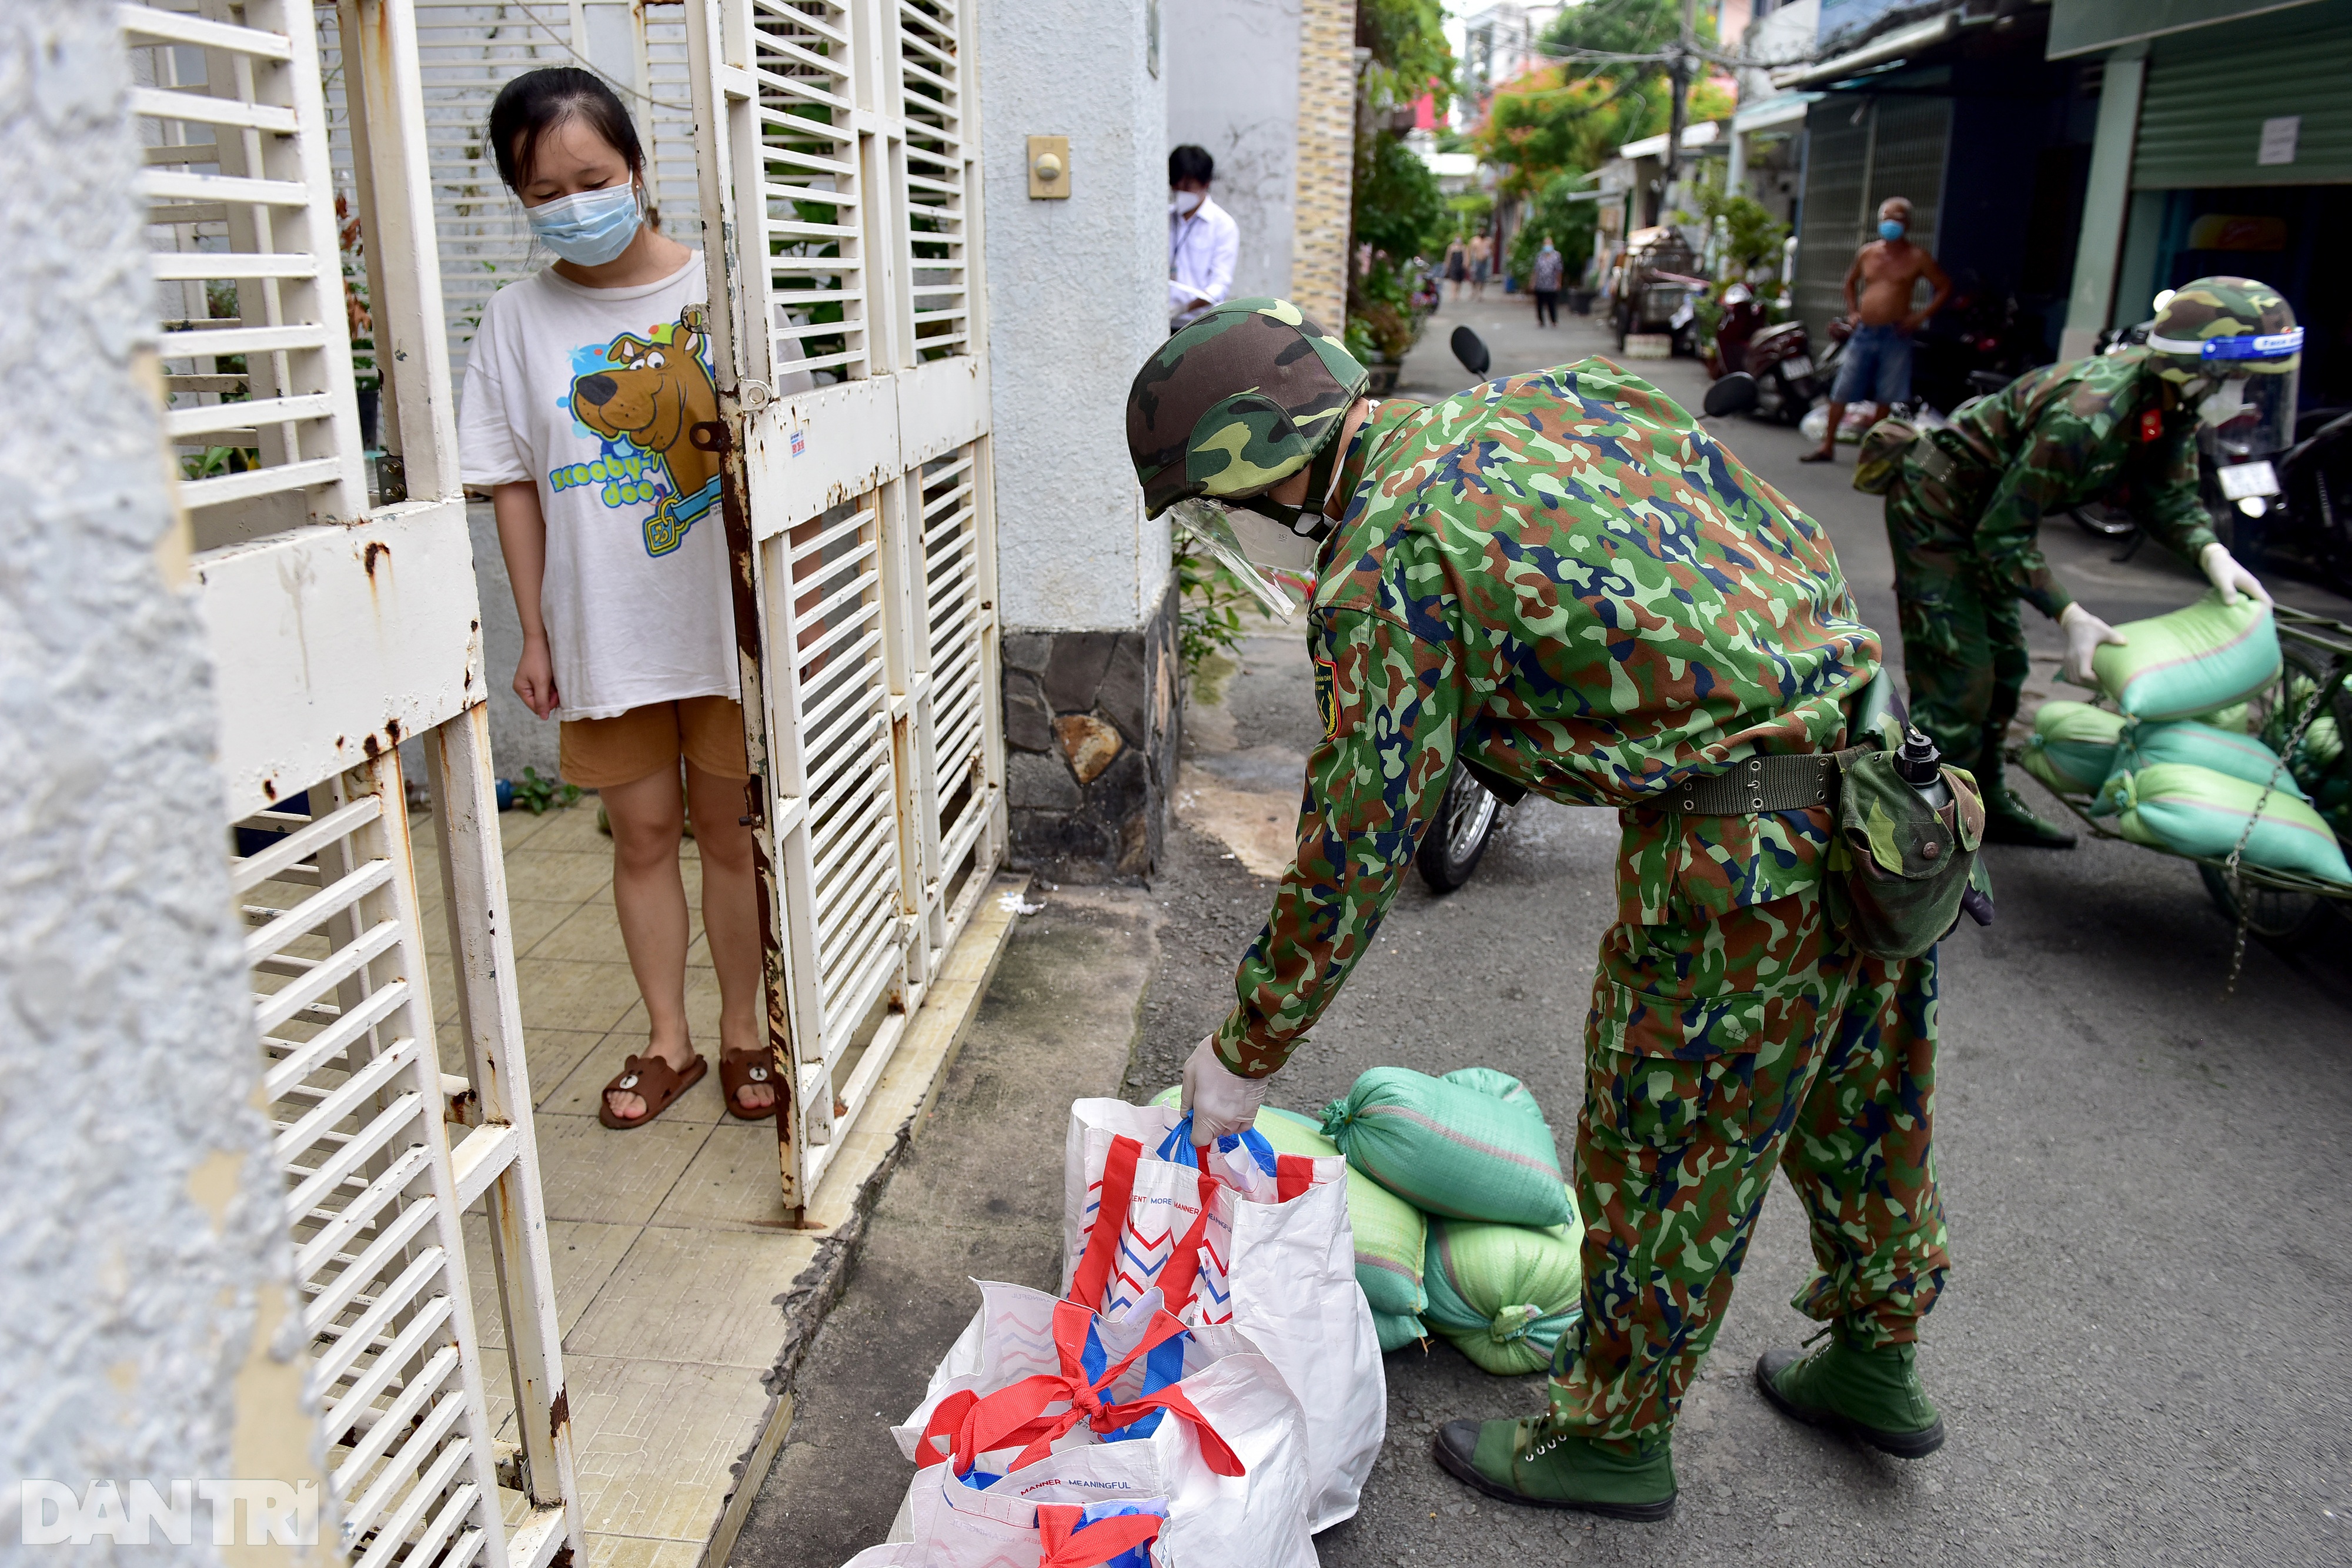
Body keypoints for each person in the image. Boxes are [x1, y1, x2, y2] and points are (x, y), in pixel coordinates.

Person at [1132, 299, 1950, 1520]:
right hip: (1886, 782)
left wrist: (1242, 1049)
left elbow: (1356, 843)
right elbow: (1763, 524)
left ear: (1257, 464)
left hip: (1741, 847)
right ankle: (1875, 1356)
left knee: (1666, 1145)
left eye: (1226, 497)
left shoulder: (1385, 563)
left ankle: (1612, 1441)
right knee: (1859, 1082)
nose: (1245, 522)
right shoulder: (1558, 399)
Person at [459, 69, 777, 1128]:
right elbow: (514, 483)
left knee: (731, 835)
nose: (572, 204)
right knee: (642, 837)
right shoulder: (515, 320)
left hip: (723, 624)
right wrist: (536, 632)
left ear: (636, 168)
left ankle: (745, 1032)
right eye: (544, 191)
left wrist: (797, 607)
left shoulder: (720, 291)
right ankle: (668, 1041)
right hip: (606, 629)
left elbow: (793, 453)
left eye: (590, 177)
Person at [1879, 277, 2287, 847]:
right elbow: (2003, 535)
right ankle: (1917, 832)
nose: (2243, 396)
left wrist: (2210, 551)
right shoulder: (2087, 418)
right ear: (2199, 370)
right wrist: (2069, 615)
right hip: (1938, 509)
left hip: (1990, 514)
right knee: (1959, 677)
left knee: (2007, 668)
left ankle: (1983, 801)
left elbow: (2164, 494)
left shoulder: (2170, 401)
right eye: (2238, 379)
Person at [1803, 198, 1949, 462]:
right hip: (1864, 332)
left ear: (1908, 224)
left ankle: (1869, 453)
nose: (1892, 224)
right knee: (1842, 389)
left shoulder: (1917, 257)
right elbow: (1850, 283)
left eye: (1898, 219)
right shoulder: (1868, 252)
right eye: (1887, 219)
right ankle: (1828, 445)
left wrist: (1920, 317)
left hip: (1896, 335)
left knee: (1887, 394)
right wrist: (1854, 312)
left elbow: (1944, 287)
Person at [1168, 144, 1238, 333]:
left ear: (1206, 184)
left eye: (1188, 186)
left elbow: (1219, 286)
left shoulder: (1223, 225)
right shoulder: (1164, 219)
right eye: (1176, 183)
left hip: (1200, 327)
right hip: (1162, 323)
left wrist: (1183, 309)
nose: (1180, 190)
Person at [1529, 235, 1565, 327]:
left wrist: (1559, 282)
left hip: (1551, 284)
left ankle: (1554, 321)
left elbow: (1559, 271)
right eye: (1546, 243)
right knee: (1539, 304)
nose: (1547, 245)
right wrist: (1533, 282)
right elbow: (1536, 270)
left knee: (1551, 304)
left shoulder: (1557, 256)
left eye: (1549, 243)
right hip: (1540, 284)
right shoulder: (1540, 256)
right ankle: (1541, 321)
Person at [1468, 232, 1493, 302]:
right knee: (1474, 277)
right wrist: (1469, 261)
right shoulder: (1475, 240)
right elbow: (1470, 250)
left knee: (1483, 278)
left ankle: (1480, 293)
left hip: (1484, 261)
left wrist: (1489, 254)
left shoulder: (1488, 241)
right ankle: (1473, 291)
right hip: (1476, 260)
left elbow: (1492, 250)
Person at [1443, 235, 1468, 303]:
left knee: (1459, 281)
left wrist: (1466, 264)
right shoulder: (1451, 247)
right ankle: (1453, 294)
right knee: (1453, 280)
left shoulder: (1464, 247)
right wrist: (1447, 265)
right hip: (1453, 265)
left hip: (1461, 266)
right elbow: (1448, 257)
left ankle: (1458, 294)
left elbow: (1466, 256)